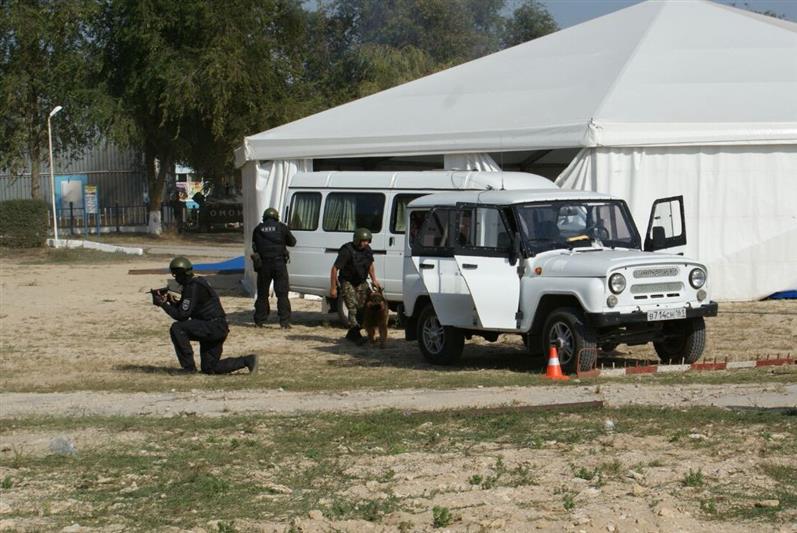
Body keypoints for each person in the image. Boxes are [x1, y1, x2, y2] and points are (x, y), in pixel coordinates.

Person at [153, 256, 257, 374]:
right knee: (210, 368)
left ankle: (188, 368)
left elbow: (182, 316)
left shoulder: (192, 287)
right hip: (216, 327)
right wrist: (171, 302)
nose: (176, 278)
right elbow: (187, 309)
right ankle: (247, 361)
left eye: (176, 275)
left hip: (211, 327)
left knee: (177, 328)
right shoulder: (197, 284)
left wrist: (163, 304)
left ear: (181, 274)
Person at [329, 227, 382, 342]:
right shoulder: (347, 251)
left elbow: (370, 265)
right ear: (357, 240)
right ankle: (355, 335)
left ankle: (352, 332)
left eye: (367, 241)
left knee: (364, 308)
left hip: (361, 281)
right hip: (347, 281)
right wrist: (333, 288)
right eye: (363, 241)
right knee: (352, 308)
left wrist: (374, 280)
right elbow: (334, 269)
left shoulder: (368, 250)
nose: (366, 243)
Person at [252, 207, 297, 328]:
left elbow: (255, 247)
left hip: (263, 265)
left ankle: (259, 321)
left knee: (262, 294)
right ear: (276, 217)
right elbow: (292, 242)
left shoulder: (258, 229)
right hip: (279, 264)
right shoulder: (282, 227)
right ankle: (284, 322)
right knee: (282, 294)